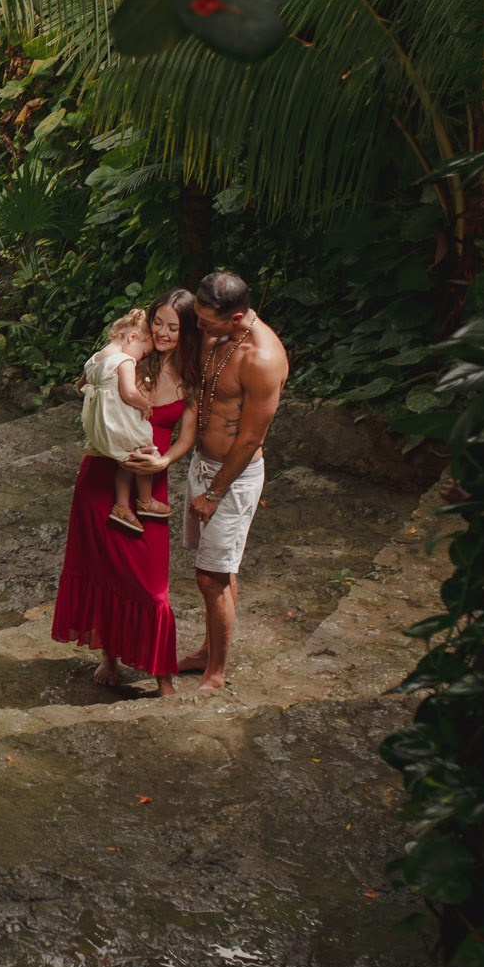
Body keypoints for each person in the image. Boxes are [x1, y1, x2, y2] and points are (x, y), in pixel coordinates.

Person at [52, 290, 201, 697]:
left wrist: (163, 462)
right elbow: (87, 380)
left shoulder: (192, 374)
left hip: (148, 483)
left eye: (174, 326)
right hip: (101, 474)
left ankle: (162, 674)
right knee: (103, 569)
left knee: (151, 584)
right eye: (158, 323)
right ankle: (109, 656)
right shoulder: (132, 357)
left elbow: (187, 435)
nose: (164, 332)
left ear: (187, 329)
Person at [178, 270, 288, 691]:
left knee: (210, 577)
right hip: (203, 465)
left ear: (238, 317)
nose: (200, 326)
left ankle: (216, 674)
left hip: (232, 479)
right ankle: (208, 652)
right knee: (221, 571)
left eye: (207, 322)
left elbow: (251, 437)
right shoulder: (219, 334)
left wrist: (215, 493)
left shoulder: (262, 358)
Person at [81, 308, 174, 533]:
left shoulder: (94, 359)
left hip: (99, 427)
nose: (141, 357)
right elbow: (129, 393)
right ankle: (145, 500)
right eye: (143, 352)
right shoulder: (124, 360)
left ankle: (122, 507)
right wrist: (146, 405)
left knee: (126, 462)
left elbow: (81, 386)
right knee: (144, 453)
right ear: (132, 338)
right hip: (119, 423)